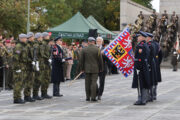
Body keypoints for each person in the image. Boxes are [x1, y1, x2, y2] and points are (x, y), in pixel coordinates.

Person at [80, 37, 103, 102]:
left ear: (88, 42)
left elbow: (81, 60)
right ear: (94, 42)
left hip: (86, 68)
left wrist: (81, 68)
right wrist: (101, 68)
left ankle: (87, 97)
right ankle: (93, 97)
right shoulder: (97, 49)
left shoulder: (84, 49)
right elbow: (100, 60)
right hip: (95, 68)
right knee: (93, 82)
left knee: (87, 83)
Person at [132, 31, 150, 105]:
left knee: (140, 84)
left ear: (142, 37)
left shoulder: (141, 46)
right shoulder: (145, 45)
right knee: (144, 83)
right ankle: (144, 99)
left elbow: (140, 58)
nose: (137, 38)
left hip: (140, 67)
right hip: (144, 67)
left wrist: (138, 68)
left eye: (138, 37)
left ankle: (141, 100)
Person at [13, 34, 28, 104]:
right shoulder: (18, 46)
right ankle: (16, 98)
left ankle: (18, 97)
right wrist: (17, 68)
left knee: (21, 83)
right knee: (18, 83)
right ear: (21, 38)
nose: (26, 39)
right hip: (19, 67)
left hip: (23, 67)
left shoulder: (23, 46)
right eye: (25, 38)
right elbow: (16, 58)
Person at [23, 32, 36, 102]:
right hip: (27, 65)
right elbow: (25, 56)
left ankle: (28, 95)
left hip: (31, 65)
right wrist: (31, 60)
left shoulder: (32, 45)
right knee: (27, 81)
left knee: (31, 81)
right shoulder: (27, 45)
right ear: (30, 37)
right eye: (33, 37)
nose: (33, 38)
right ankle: (26, 96)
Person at [145, 32, 157, 102]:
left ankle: (150, 96)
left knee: (150, 80)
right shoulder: (154, 44)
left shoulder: (150, 45)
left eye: (146, 37)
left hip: (149, 64)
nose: (145, 39)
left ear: (149, 38)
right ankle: (151, 95)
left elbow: (150, 55)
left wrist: (148, 64)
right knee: (151, 80)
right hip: (152, 63)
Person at [33, 33, 44, 100]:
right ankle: (35, 94)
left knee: (39, 80)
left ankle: (36, 94)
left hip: (40, 63)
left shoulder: (40, 44)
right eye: (41, 37)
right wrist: (36, 63)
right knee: (37, 79)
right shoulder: (36, 45)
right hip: (38, 63)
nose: (42, 38)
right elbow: (35, 55)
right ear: (38, 37)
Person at [41, 32, 52, 99]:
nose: (49, 37)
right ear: (45, 37)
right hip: (44, 63)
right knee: (44, 78)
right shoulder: (43, 44)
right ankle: (43, 92)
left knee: (47, 78)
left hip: (47, 63)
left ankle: (45, 92)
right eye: (48, 36)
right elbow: (42, 54)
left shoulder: (47, 44)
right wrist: (48, 58)